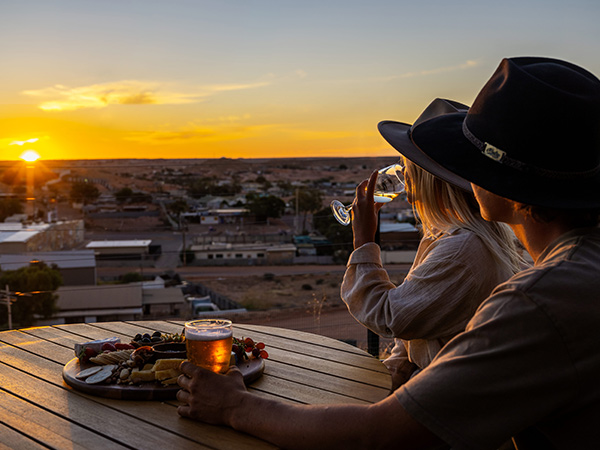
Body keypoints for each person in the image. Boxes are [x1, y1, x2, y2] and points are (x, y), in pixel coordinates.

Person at [177, 56, 600, 448]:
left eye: (470, 160)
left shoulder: (541, 300)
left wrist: (234, 406)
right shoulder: (573, 270)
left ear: (508, 185)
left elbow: (381, 435)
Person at [341, 99, 525, 389]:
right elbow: (422, 322)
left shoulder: (463, 250)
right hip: (432, 385)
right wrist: (397, 371)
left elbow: (391, 317)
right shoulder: (453, 235)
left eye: (408, 166)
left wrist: (363, 242)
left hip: (448, 395)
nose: (402, 176)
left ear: (430, 177)